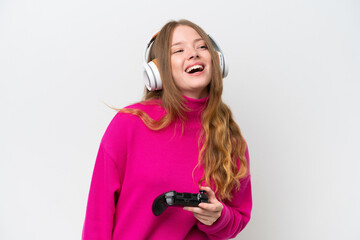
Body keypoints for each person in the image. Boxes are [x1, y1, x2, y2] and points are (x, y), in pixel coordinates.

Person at [82, 19, 252, 240]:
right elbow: (99, 214)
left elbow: (239, 216)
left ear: (217, 61)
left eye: (201, 46)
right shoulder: (130, 123)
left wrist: (219, 218)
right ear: (157, 71)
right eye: (178, 50)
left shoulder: (230, 139)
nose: (194, 54)